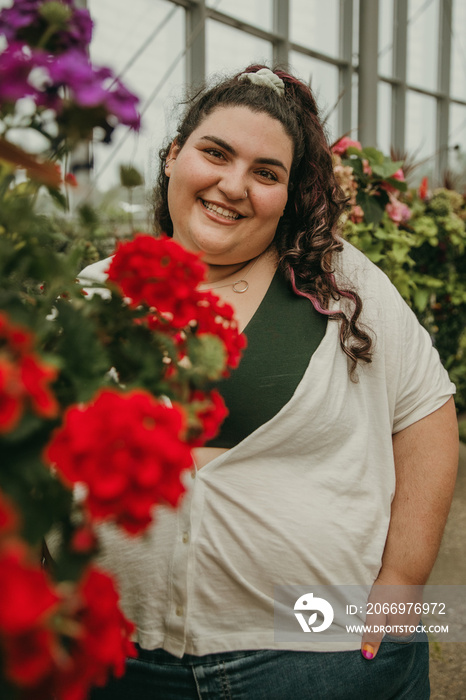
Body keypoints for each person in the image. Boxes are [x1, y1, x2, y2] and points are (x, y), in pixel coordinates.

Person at [82, 65, 459, 699]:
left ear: (288, 194)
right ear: (174, 157)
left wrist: (401, 585)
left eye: (266, 172)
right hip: (120, 661)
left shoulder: (340, 284)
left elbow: (426, 412)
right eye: (215, 153)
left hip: (317, 656)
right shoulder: (96, 291)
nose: (233, 185)